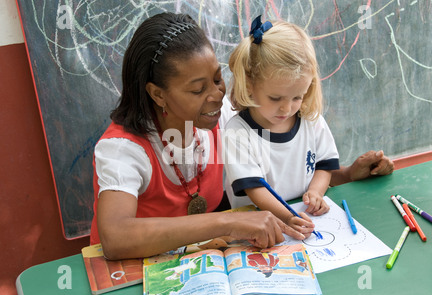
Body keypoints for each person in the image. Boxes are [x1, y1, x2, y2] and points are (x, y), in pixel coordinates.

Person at [90, 12, 394, 260]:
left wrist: (349, 174)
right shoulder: (122, 149)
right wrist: (228, 220)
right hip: (136, 273)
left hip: (205, 256)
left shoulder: (216, 115)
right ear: (158, 94)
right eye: (198, 89)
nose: (217, 94)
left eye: (218, 78)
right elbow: (115, 239)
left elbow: (292, 169)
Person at [222, 16, 393, 234]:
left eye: (297, 97)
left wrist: (315, 192)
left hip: (304, 220)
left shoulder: (311, 120)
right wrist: (288, 217)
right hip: (257, 229)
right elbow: (255, 189)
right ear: (249, 85)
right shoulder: (237, 131)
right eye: (275, 98)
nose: (287, 109)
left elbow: (324, 166)